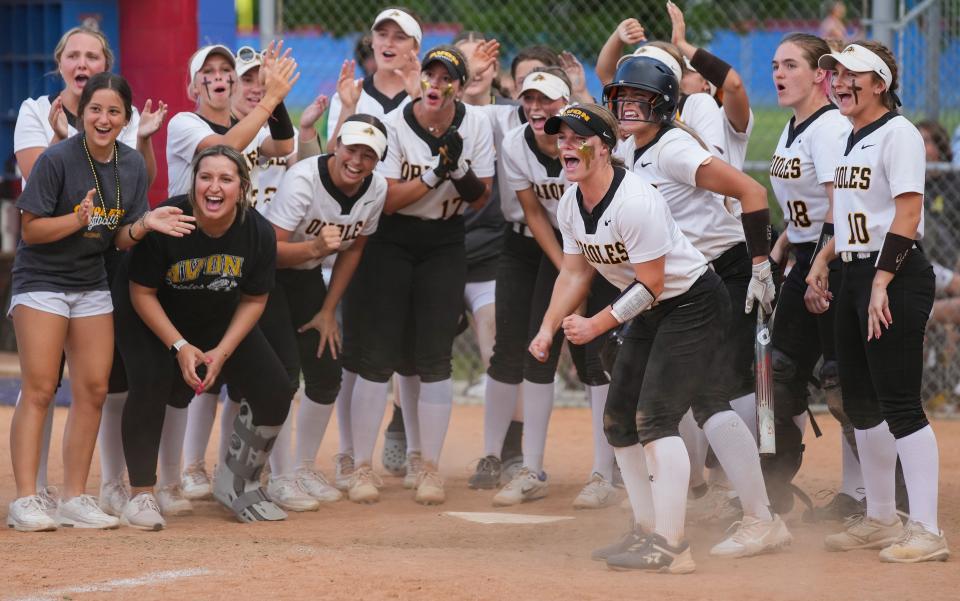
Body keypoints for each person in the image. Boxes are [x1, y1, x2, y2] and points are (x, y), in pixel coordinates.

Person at [602, 54, 792, 555]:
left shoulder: (671, 148)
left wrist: (759, 264)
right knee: (698, 398)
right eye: (621, 99)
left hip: (725, 272)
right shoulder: (631, 146)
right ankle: (744, 510)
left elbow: (751, 191)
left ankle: (760, 517)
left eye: (639, 100)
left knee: (708, 398)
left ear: (662, 106)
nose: (626, 108)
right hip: (685, 281)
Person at [529, 104, 722, 573]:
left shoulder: (635, 200)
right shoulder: (571, 201)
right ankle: (645, 531)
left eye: (579, 138)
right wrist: (548, 327)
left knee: (654, 419)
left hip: (690, 303)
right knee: (618, 421)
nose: (567, 145)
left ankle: (673, 546)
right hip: (650, 307)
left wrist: (595, 324)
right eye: (561, 138)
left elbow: (653, 284)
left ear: (606, 147)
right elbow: (574, 273)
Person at [6, 72, 194, 532]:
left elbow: (121, 238)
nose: (103, 118)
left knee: (92, 389)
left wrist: (148, 222)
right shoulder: (57, 159)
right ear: (82, 113)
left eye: (113, 111)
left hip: (91, 281)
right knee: (41, 387)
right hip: (43, 280)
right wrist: (76, 217)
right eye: (95, 109)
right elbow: (30, 230)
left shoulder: (130, 166)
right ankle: (27, 498)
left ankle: (74, 496)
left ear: (126, 118)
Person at [808, 41, 949, 562]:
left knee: (900, 403)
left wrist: (881, 282)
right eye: (835, 74)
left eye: (852, 75)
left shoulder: (899, 134)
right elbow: (851, 219)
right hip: (854, 271)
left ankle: (928, 531)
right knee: (861, 403)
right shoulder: (850, 138)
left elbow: (907, 216)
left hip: (895, 274)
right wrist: (825, 260)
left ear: (880, 84)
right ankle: (882, 518)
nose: (840, 82)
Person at [346, 45, 494, 505]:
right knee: (378, 353)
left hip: (444, 241)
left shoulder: (476, 124)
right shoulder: (394, 125)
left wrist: (460, 167)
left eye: (446, 78)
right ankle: (361, 467)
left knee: (433, 357)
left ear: (461, 86)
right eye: (429, 76)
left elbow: (480, 198)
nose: (435, 84)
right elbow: (387, 200)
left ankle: (428, 466)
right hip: (391, 240)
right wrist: (435, 174)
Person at [115, 145, 291, 530]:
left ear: (242, 188)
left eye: (226, 179)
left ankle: (237, 480)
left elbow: (254, 299)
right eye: (205, 177)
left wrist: (223, 353)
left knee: (277, 388)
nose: (214, 187)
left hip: (215, 315)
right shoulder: (170, 222)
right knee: (150, 383)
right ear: (193, 182)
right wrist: (178, 346)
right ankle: (142, 493)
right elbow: (140, 293)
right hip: (152, 315)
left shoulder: (257, 232)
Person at [160, 42, 297, 509]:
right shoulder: (185, 124)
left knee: (266, 375)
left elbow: (283, 145)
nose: (218, 77)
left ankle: (236, 474)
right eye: (208, 71)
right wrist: (268, 100)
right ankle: (169, 478)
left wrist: (274, 101)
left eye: (226, 72)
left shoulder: (247, 126)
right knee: (182, 380)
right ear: (193, 84)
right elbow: (221, 149)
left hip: (240, 258)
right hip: (186, 259)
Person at [482, 70, 619, 509]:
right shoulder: (517, 143)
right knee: (537, 347)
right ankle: (531, 467)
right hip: (558, 249)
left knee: (596, 356)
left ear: (567, 105)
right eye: (529, 99)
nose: (537, 109)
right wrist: (567, 274)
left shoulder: (590, 142)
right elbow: (534, 214)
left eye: (547, 101)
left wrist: (584, 274)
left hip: (606, 245)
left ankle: (604, 472)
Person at [257, 115, 389, 511]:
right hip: (269, 280)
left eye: (368, 154)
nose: (357, 161)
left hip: (308, 279)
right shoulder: (303, 179)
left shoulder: (376, 188)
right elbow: (269, 252)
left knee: (326, 371)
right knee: (283, 376)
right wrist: (315, 249)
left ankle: (302, 468)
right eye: (351, 149)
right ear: (336, 145)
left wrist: (329, 309)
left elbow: (356, 249)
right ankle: (278, 477)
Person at [323, 7, 423, 488]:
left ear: (413, 49)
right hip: (360, 235)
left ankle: (409, 441)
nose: (387, 42)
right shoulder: (355, 93)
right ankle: (347, 454)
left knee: (409, 350)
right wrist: (344, 109)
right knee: (356, 352)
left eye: (399, 36)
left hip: (415, 237)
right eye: (381, 33)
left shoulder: (425, 98)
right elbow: (330, 163)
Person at [767, 33, 858, 515]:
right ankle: (774, 488)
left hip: (837, 260)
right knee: (779, 372)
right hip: (804, 256)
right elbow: (801, 211)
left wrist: (818, 268)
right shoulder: (792, 126)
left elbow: (838, 209)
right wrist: (776, 256)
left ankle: (868, 494)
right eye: (775, 65)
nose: (778, 74)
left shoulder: (827, 129)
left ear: (820, 74)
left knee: (843, 384)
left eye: (790, 65)